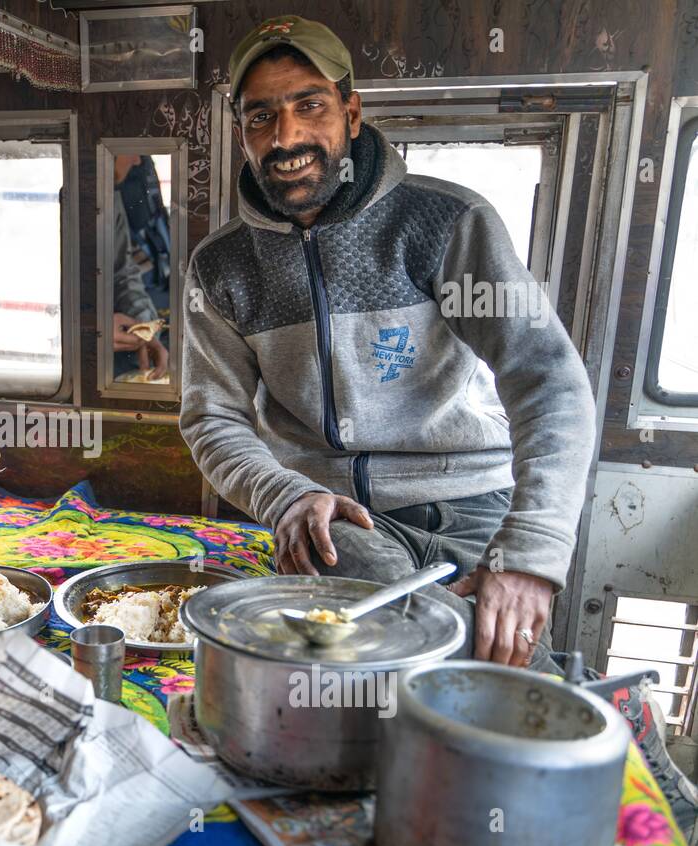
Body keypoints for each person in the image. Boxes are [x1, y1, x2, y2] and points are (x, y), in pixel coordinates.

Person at [179, 14, 598, 672]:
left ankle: (577, 699)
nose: (284, 137)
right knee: (363, 624)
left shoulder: (446, 223)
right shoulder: (222, 267)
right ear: (241, 133)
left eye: (308, 105)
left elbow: (549, 381)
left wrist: (531, 551)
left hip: (474, 498)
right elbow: (213, 418)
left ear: (351, 112)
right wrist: (282, 493)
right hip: (334, 514)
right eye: (260, 117)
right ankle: (580, 691)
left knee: (496, 658)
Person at [111, 155, 168, 382]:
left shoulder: (111, 198)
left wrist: (145, 327)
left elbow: (122, 272)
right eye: (128, 150)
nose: (136, 161)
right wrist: (91, 330)